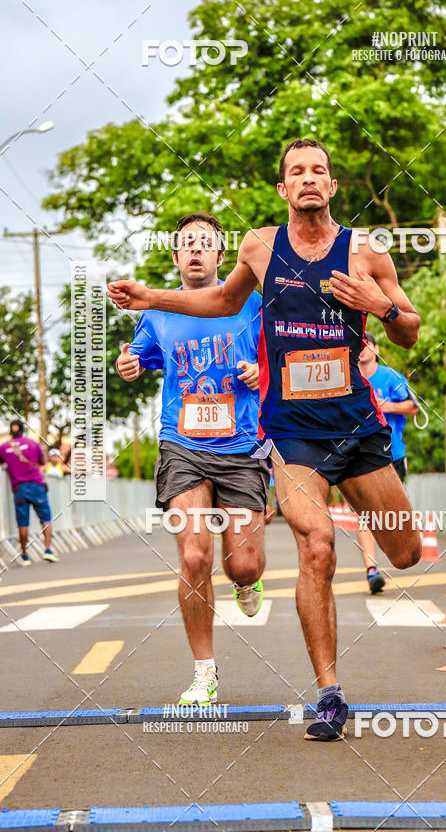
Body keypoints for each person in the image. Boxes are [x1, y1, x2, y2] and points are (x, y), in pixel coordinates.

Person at [109, 137, 422, 741]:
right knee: (318, 544)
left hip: (355, 425)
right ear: (283, 189)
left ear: (332, 188)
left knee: (405, 552)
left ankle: (380, 555)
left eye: (319, 172)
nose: (309, 179)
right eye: (296, 172)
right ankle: (329, 694)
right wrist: (152, 297)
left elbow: (408, 332)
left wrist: (380, 306)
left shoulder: (365, 250)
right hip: (290, 430)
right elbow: (221, 299)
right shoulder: (259, 246)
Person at [116, 211, 270, 708]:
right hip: (181, 444)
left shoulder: (250, 302)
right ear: (177, 253)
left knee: (242, 564)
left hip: (242, 446)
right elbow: (138, 356)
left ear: (222, 256)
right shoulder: (158, 311)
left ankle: (247, 581)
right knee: (194, 554)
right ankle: (204, 672)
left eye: (207, 243)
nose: (197, 250)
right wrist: (129, 363)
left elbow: (278, 357)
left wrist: (256, 371)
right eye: (188, 243)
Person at [356, 330, 418, 594]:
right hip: (358, 456)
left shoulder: (391, 377)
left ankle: (394, 554)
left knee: (391, 517)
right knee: (364, 515)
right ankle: (371, 570)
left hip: (392, 455)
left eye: (367, 344)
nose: (362, 349)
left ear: (376, 349)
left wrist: (386, 407)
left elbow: (413, 407)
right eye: (358, 344)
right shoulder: (349, 378)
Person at [0, 420, 58, 565]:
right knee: (45, 517)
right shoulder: (33, 443)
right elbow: (42, 462)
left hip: (19, 488)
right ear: (23, 430)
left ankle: (25, 555)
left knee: (22, 522)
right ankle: (48, 549)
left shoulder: (4, 447)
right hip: (37, 485)